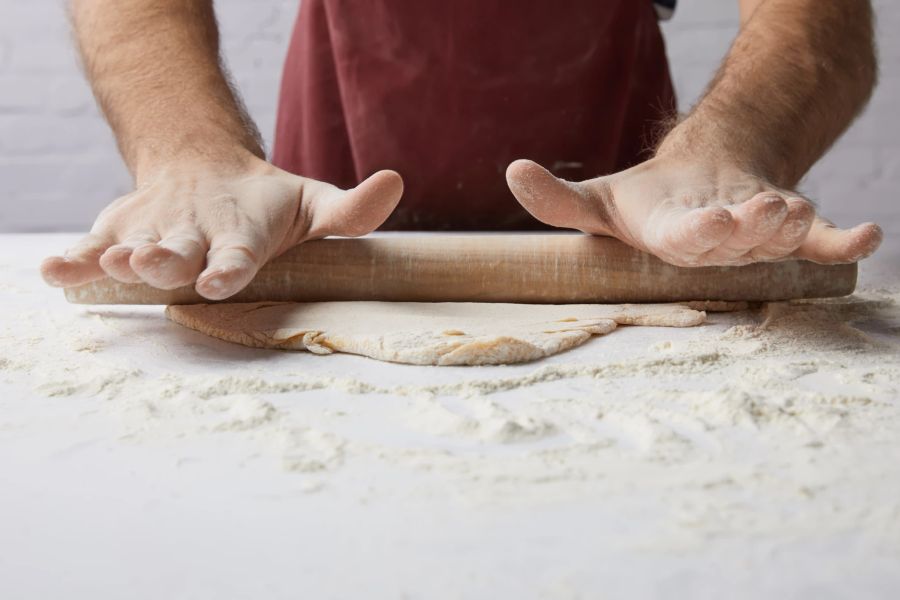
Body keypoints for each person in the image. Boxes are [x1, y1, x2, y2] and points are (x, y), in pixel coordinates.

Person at [41, 0, 883, 301]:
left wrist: (728, 149)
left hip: (634, 209)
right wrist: (189, 155)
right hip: (324, 200)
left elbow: (818, 17)